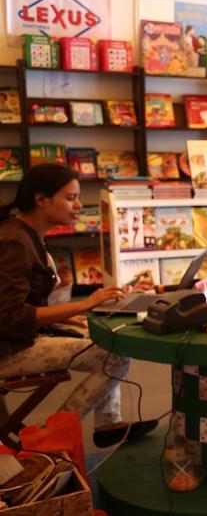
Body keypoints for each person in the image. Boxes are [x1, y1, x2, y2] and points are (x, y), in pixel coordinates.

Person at [0, 164, 157, 447]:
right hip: (9, 351)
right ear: (41, 199)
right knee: (115, 354)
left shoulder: (26, 233)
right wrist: (83, 305)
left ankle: (107, 423)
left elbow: (22, 305)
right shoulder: (16, 241)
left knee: (110, 337)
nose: (79, 205)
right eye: (70, 198)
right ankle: (52, 435)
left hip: (20, 338)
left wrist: (66, 319)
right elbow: (9, 316)